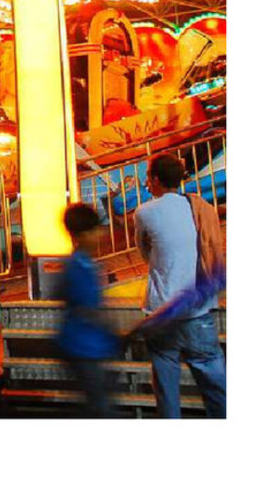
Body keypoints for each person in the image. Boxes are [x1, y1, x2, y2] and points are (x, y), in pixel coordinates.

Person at [134, 153, 226, 418]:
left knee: (166, 388)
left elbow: (145, 252)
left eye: (148, 177)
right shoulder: (200, 208)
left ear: (155, 179)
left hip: (161, 312)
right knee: (215, 386)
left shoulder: (145, 212)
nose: (146, 182)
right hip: (198, 311)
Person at [52, 202, 120, 417]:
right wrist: (112, 330)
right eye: (93, 230)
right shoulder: (78, 266)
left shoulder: (83, 264)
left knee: (98, 403)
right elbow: (88, 307)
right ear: (80, 235)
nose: (100, 234)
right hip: (83, 347)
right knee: (100, 407)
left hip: (88, 345)